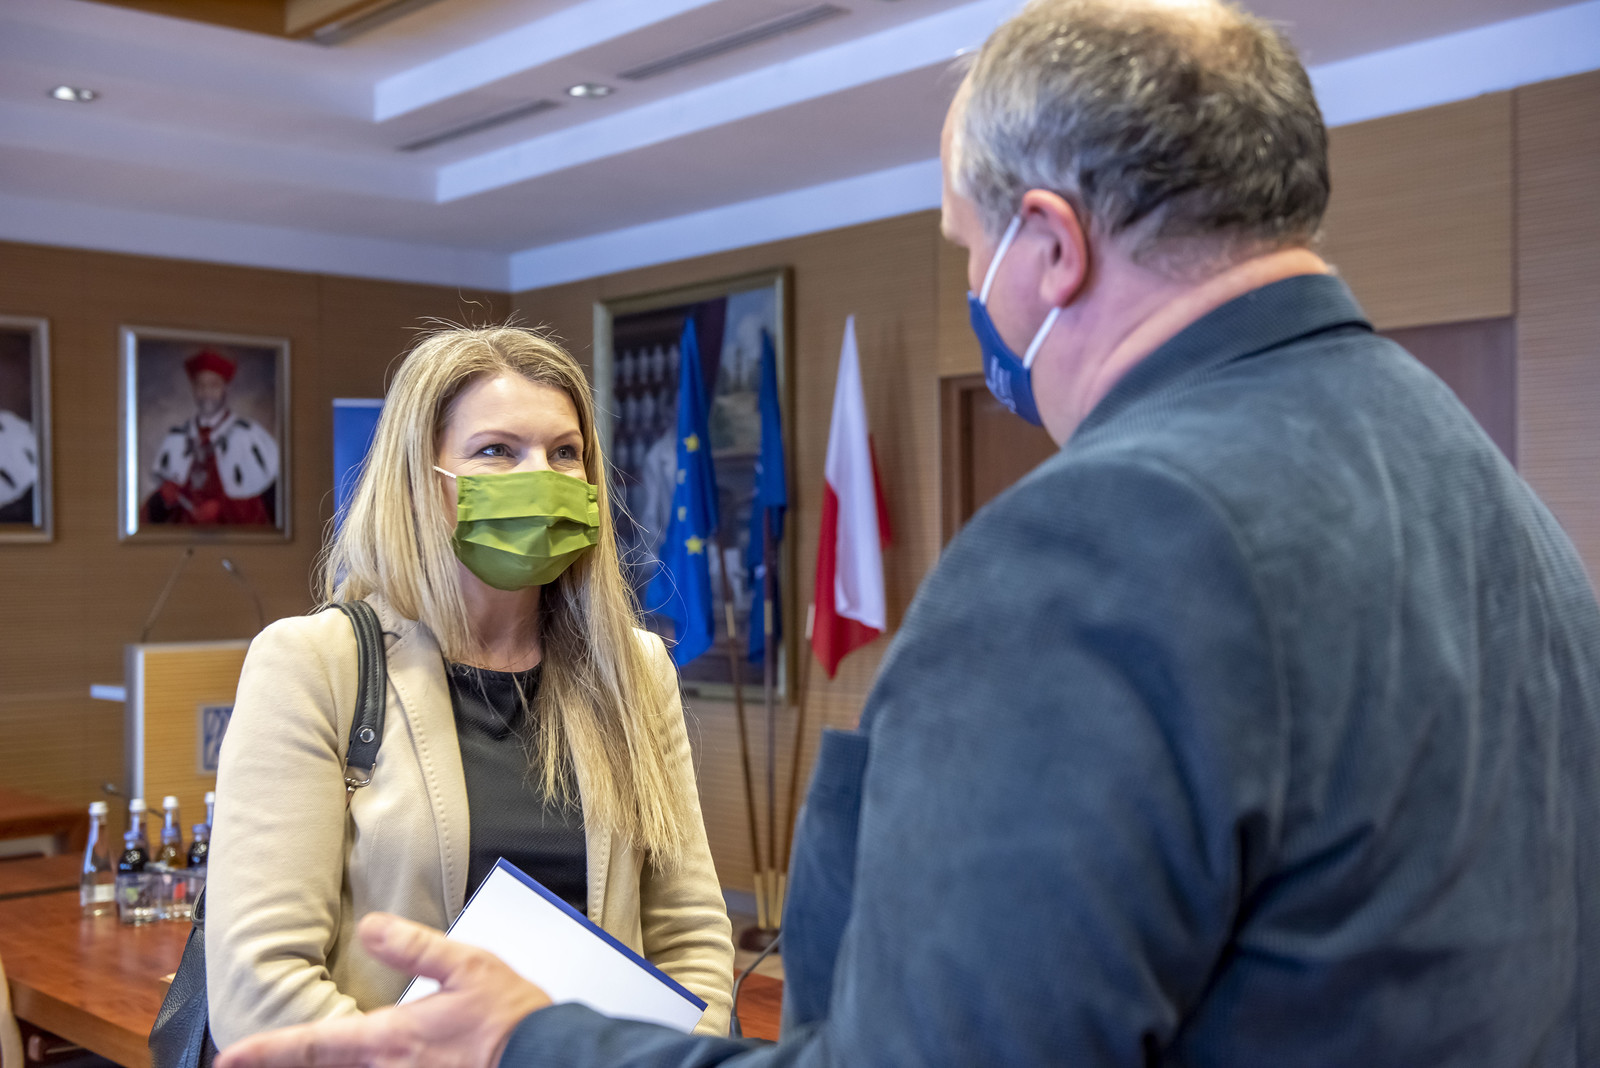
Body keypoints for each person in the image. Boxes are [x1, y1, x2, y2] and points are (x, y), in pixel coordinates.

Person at [217, 1, 1600, 1065]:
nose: (978, 289)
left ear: (1050, 245)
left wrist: (528, 1045)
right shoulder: (1490, 492)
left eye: (965, 247)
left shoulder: (1104, 537)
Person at [205, 326, 736, 1048]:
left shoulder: (634, 672)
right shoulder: (314, 664)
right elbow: (258, 985)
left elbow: (690, 938)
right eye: (496, 451)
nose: (541, 475)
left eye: (565, 452)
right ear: (420, 480)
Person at [143, 348, 279, 525]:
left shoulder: (248, 435)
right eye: (200, 386)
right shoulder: (177, 438)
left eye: (213, 385)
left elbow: (271, 506)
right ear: (193, 389)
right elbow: (152, 516)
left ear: (225, 388)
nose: (206, 392)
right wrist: (163, 499)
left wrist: (223, 507)